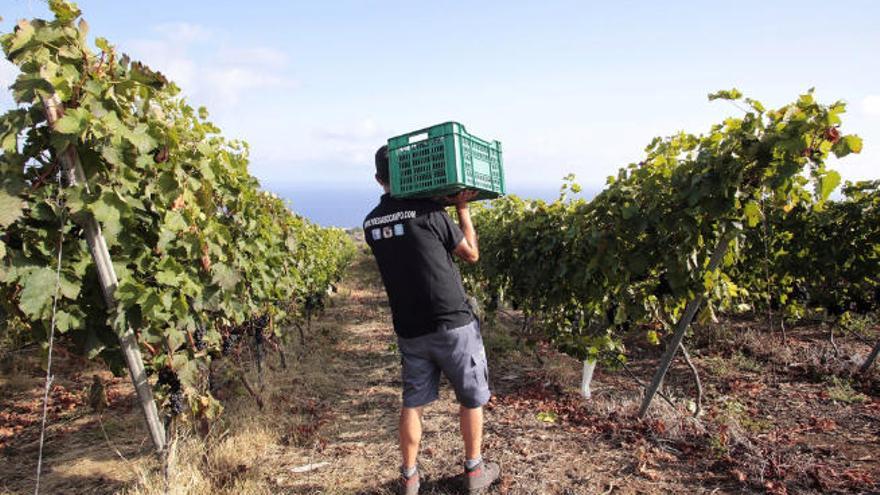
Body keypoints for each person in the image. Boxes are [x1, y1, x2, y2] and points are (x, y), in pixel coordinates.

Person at [363, 145, 501, 494]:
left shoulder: (370, 223)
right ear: (410, 172)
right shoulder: (428, 210)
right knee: (471, 397)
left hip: (409, 327)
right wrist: (463, 208)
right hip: (452, 321)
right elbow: (470, 254)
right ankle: (474, 472)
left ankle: (409, 478)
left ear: (379, 179)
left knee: (413, 402)